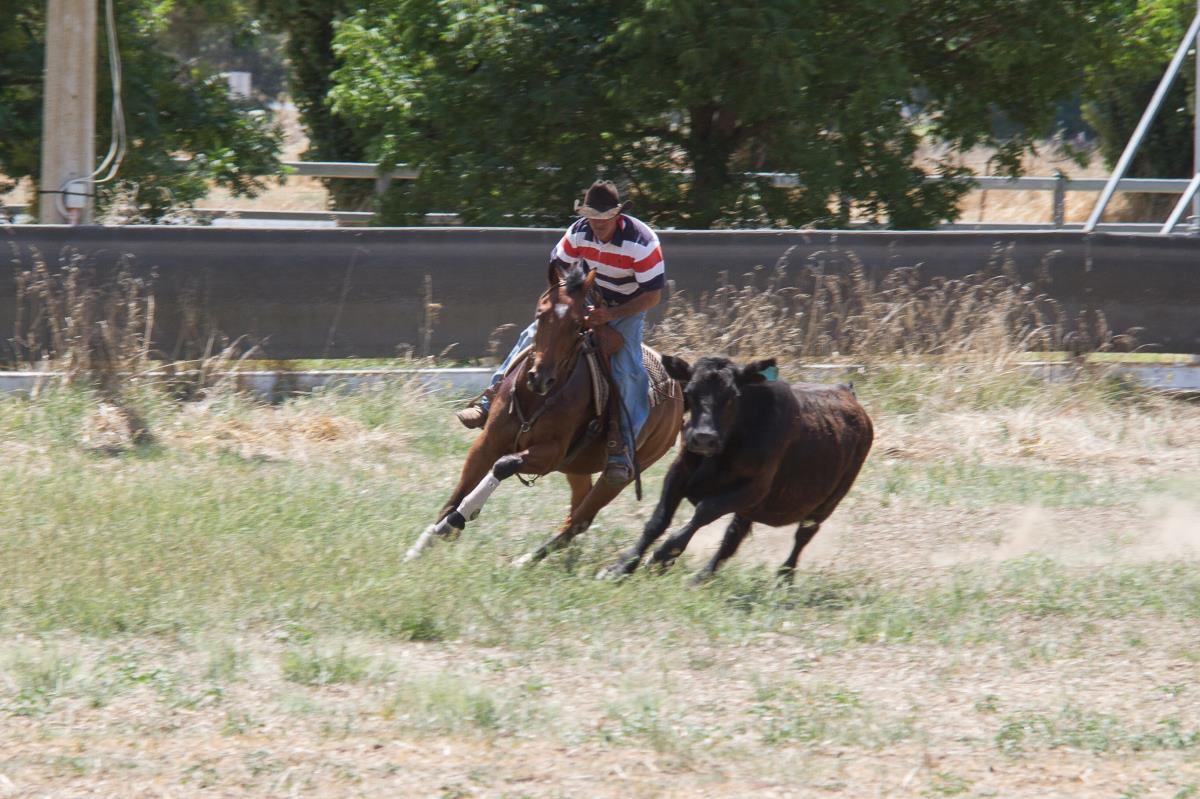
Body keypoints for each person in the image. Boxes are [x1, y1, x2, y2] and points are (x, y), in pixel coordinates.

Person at [456, 179, 665, 485]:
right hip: (587, 296)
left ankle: (620, 448)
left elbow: (653, 295)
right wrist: (568, 304)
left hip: (627, 306)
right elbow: (558, 268)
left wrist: (610, 315)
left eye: (604, 218)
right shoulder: (578, 232)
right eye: (592, 217)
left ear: (618, 216)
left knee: (628, 369)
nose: (597, 224)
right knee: (532, 335)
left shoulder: (643, 243)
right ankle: (489, 401)